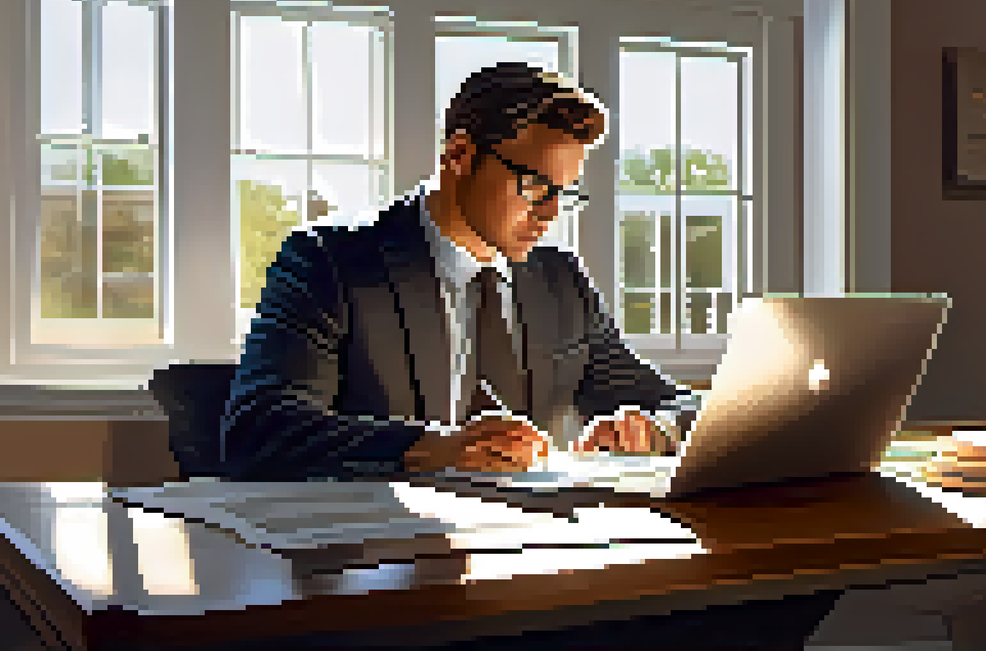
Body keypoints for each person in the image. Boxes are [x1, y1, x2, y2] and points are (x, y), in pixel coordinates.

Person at [220, 62, 697, 480]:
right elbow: (259, 429)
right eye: (534, 185)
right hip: (377, 561)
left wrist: (653, 428)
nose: (550, 215)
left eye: (564, 193)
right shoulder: (329, 260)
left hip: (534, 552)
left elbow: (679, 406)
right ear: (459, 156)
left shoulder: (560, 281)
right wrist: (434, 449)